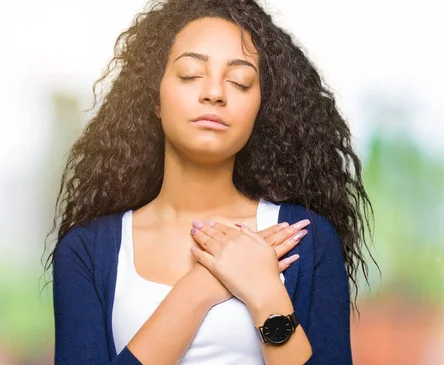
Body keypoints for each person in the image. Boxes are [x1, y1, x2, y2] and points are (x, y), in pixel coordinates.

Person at [46, 0, 376, 364]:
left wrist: (265, 291)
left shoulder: (306, 238)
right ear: (153, 96)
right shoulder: (87, 251)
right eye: (190, 74)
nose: (214, 93)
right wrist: (200, 287)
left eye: (240, 81)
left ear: (261, 107)